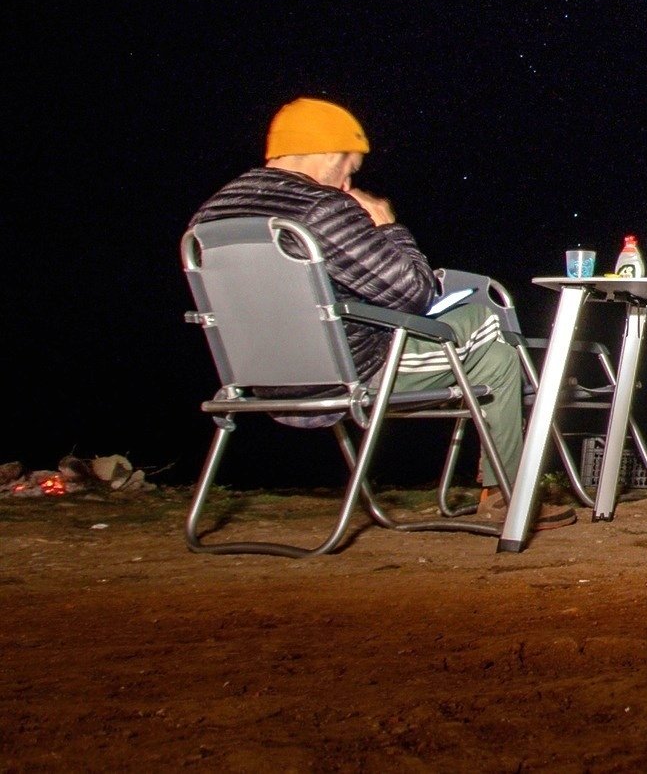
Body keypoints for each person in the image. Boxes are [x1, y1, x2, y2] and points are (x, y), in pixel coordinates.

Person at [187, 98, 571, 526]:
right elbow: (415, 294)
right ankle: (508, 489)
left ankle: (502, 489)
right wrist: (386, 225)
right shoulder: (323, 207)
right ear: (330, 154)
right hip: (350, 370)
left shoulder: (212, 213)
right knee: (484, 321)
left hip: (256, 376)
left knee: (496, 359)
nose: (347, 181)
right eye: (349, 168)